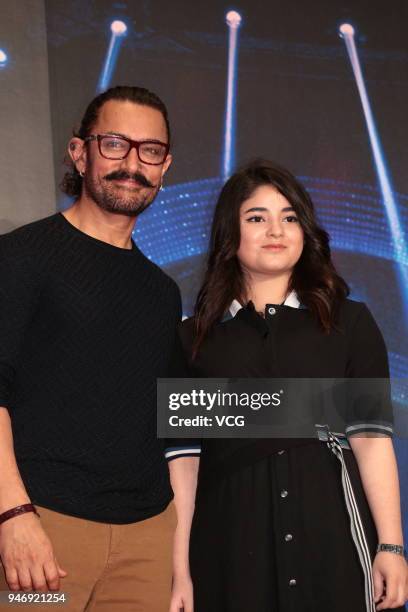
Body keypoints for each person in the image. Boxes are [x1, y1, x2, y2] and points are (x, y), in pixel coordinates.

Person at [166, 160, 408, 612]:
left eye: (290, 217)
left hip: (333, 543)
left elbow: (372, 441)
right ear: (228, 233)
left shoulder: (349, 324)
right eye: (256, 217)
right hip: (229, 550)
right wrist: (180, 569)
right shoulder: (193, 338)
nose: (275, 230)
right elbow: (185, 462)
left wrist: (391, 547)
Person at [0, 85, 186, 612]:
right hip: (41, 531)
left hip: (148, 539)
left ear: (164, 165)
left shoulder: (162, 292)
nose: (132, 163)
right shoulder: (20, 257)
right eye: (114, 144)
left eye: (150, 150)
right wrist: (13, 517)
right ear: (79, 153)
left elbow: (168, 420)